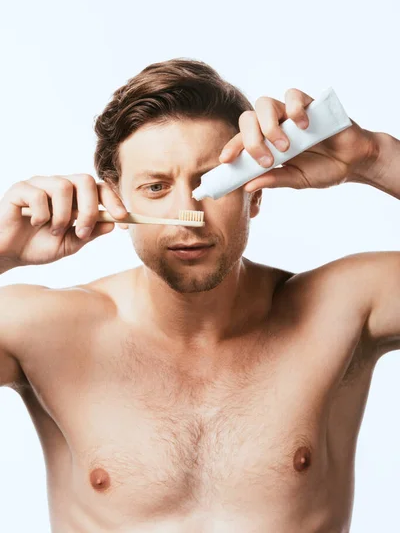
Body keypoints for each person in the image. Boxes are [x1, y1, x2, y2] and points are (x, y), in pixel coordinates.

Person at [0, 58, 398, 533]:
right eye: (155, 187)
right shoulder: (39, 329)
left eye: (213, 183)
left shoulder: (344, 309)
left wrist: (375, 157)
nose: (187, 213)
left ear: (256, 193)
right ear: (117, 200)